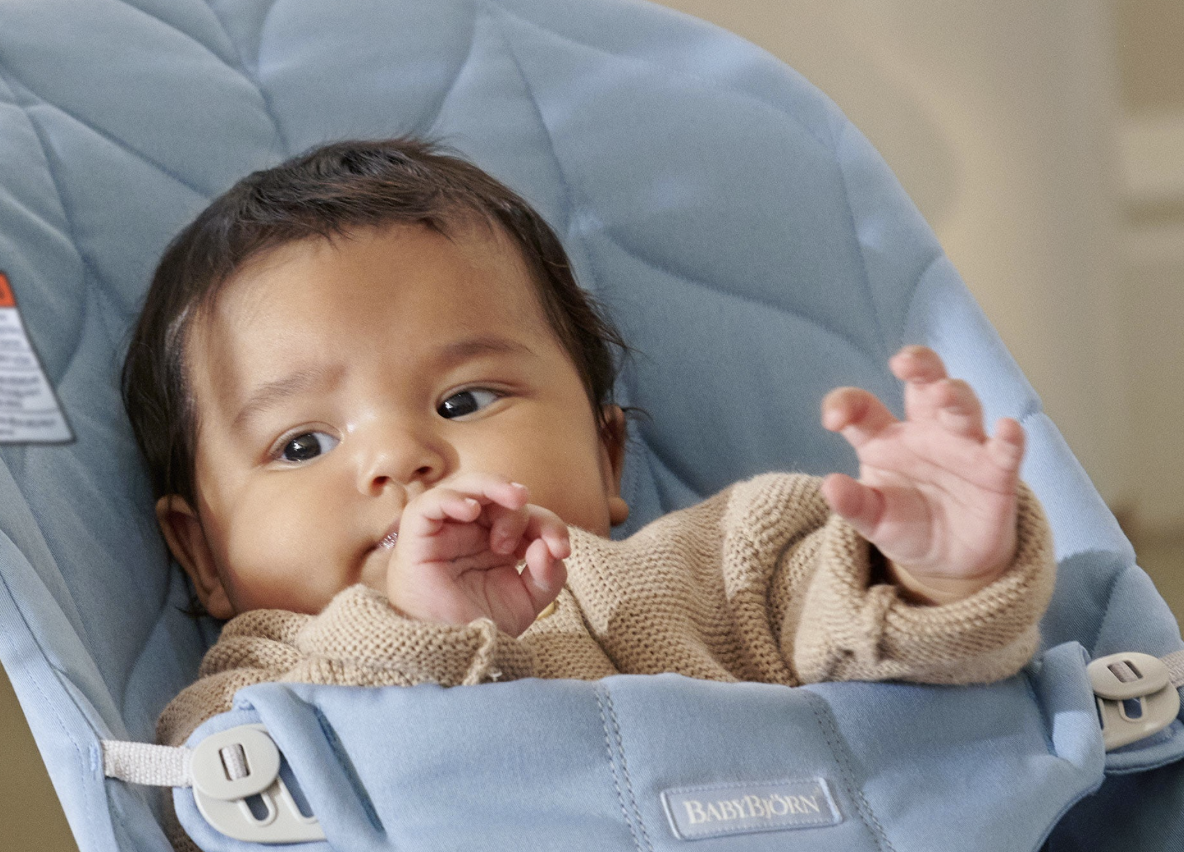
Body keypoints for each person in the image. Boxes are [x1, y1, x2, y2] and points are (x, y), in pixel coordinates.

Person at [121, 138, 1054, 752]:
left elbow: (887, 648)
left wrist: (934, 568)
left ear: (607, 457)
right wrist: (420, 637)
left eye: (465, 399)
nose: (398, 460)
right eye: (302, 444)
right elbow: (234, 806)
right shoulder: (259, 681)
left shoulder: (717, 566)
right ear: (201, 550)